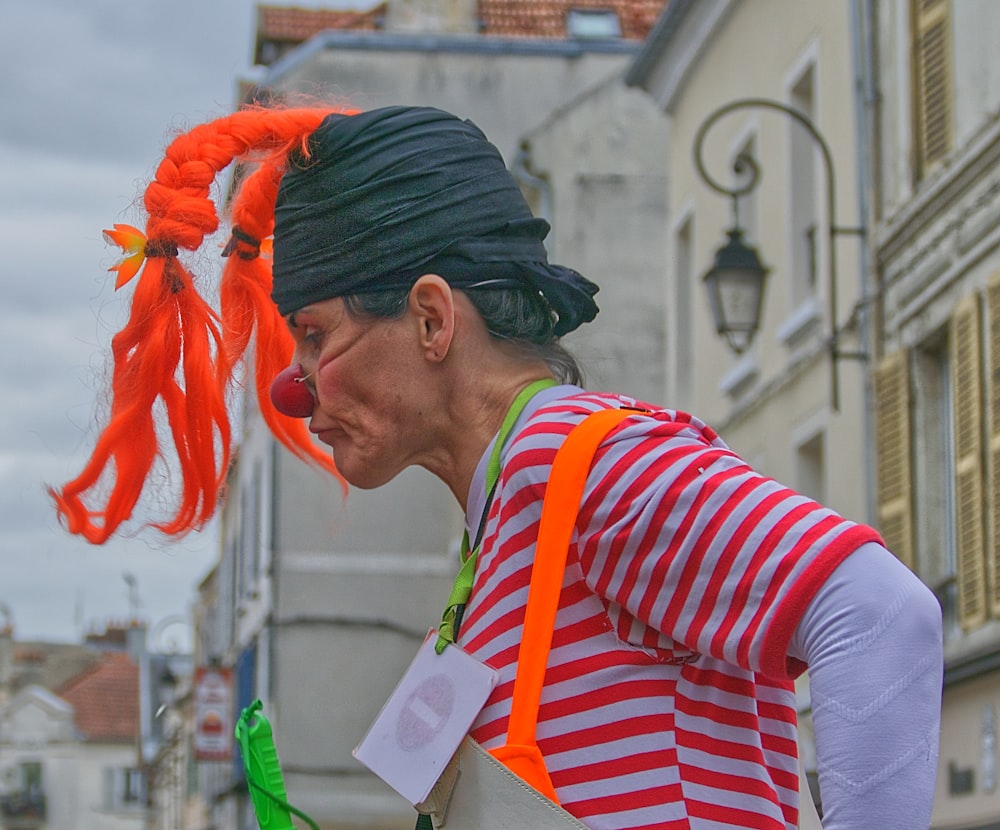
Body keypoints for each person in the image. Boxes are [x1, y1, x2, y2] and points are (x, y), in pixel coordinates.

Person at [52, 104, 943, 829]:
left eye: (316, 338)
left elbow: (877, 615)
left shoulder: (577, 458)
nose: (295, 389)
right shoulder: (500, 529)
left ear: (433, 320)